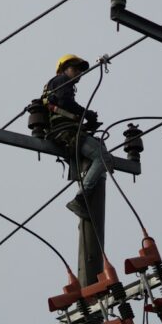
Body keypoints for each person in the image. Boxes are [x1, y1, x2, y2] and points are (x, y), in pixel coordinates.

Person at [43, 54, 112, 220]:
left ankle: (85, 190)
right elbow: (65, 102)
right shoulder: (60, 80)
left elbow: (64, 107)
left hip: (66, 131)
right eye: (75, 69)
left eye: (80, 71)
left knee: (96, 154)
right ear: (64, 69)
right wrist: (87, 113)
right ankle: (80, 199)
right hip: (65, 132)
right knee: (103, 157)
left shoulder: (56, 85)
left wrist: (86, 121)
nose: (78, 73)